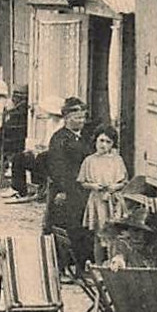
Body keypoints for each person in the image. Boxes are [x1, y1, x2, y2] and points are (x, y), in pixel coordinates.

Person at [42, 97, 93, 280]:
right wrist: (62, 190)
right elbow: (57, 166)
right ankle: (61, 268)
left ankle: (79, 267)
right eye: (76, 118)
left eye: (82, 118)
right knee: (63, 228)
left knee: (80, 227)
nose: (80, 121)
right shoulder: (59, 139)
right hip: (65, 190)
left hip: (80, 190)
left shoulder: (82, 137)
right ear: (66, 118)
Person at [77, 127, 128, 252]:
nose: (103, 145)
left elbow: (124, 181)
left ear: (112, 144)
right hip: (97, 200)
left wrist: (114, 187)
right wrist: (93, 186)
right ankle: (99, 264)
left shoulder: (117, 160)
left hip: (113, 200)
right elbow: (82, 182)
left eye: (108, 142)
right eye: (101, 140)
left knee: (114, 233)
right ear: (95, 141)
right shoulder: (89, 161)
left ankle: (112, 262)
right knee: (99, 235)